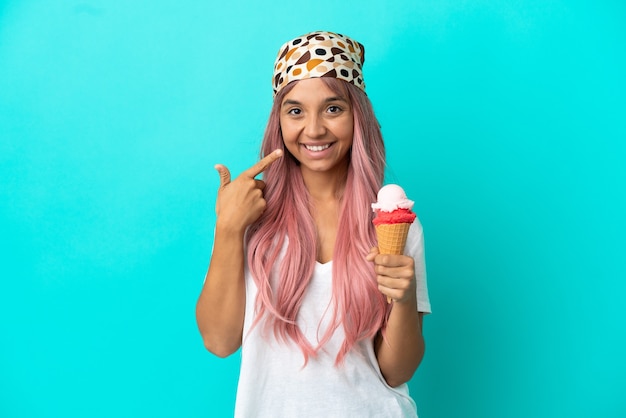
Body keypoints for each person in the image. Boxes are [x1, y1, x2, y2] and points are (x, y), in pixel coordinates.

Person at [196, 30, 431, 417]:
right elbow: (220, 341)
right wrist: (228, 228)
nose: (315, 129)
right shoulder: (250, 215)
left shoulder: (393, 222)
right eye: (296, 110)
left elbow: (396, 371)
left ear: (358, 116)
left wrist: (404, 300)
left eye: (333, 108)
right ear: (280, 121)